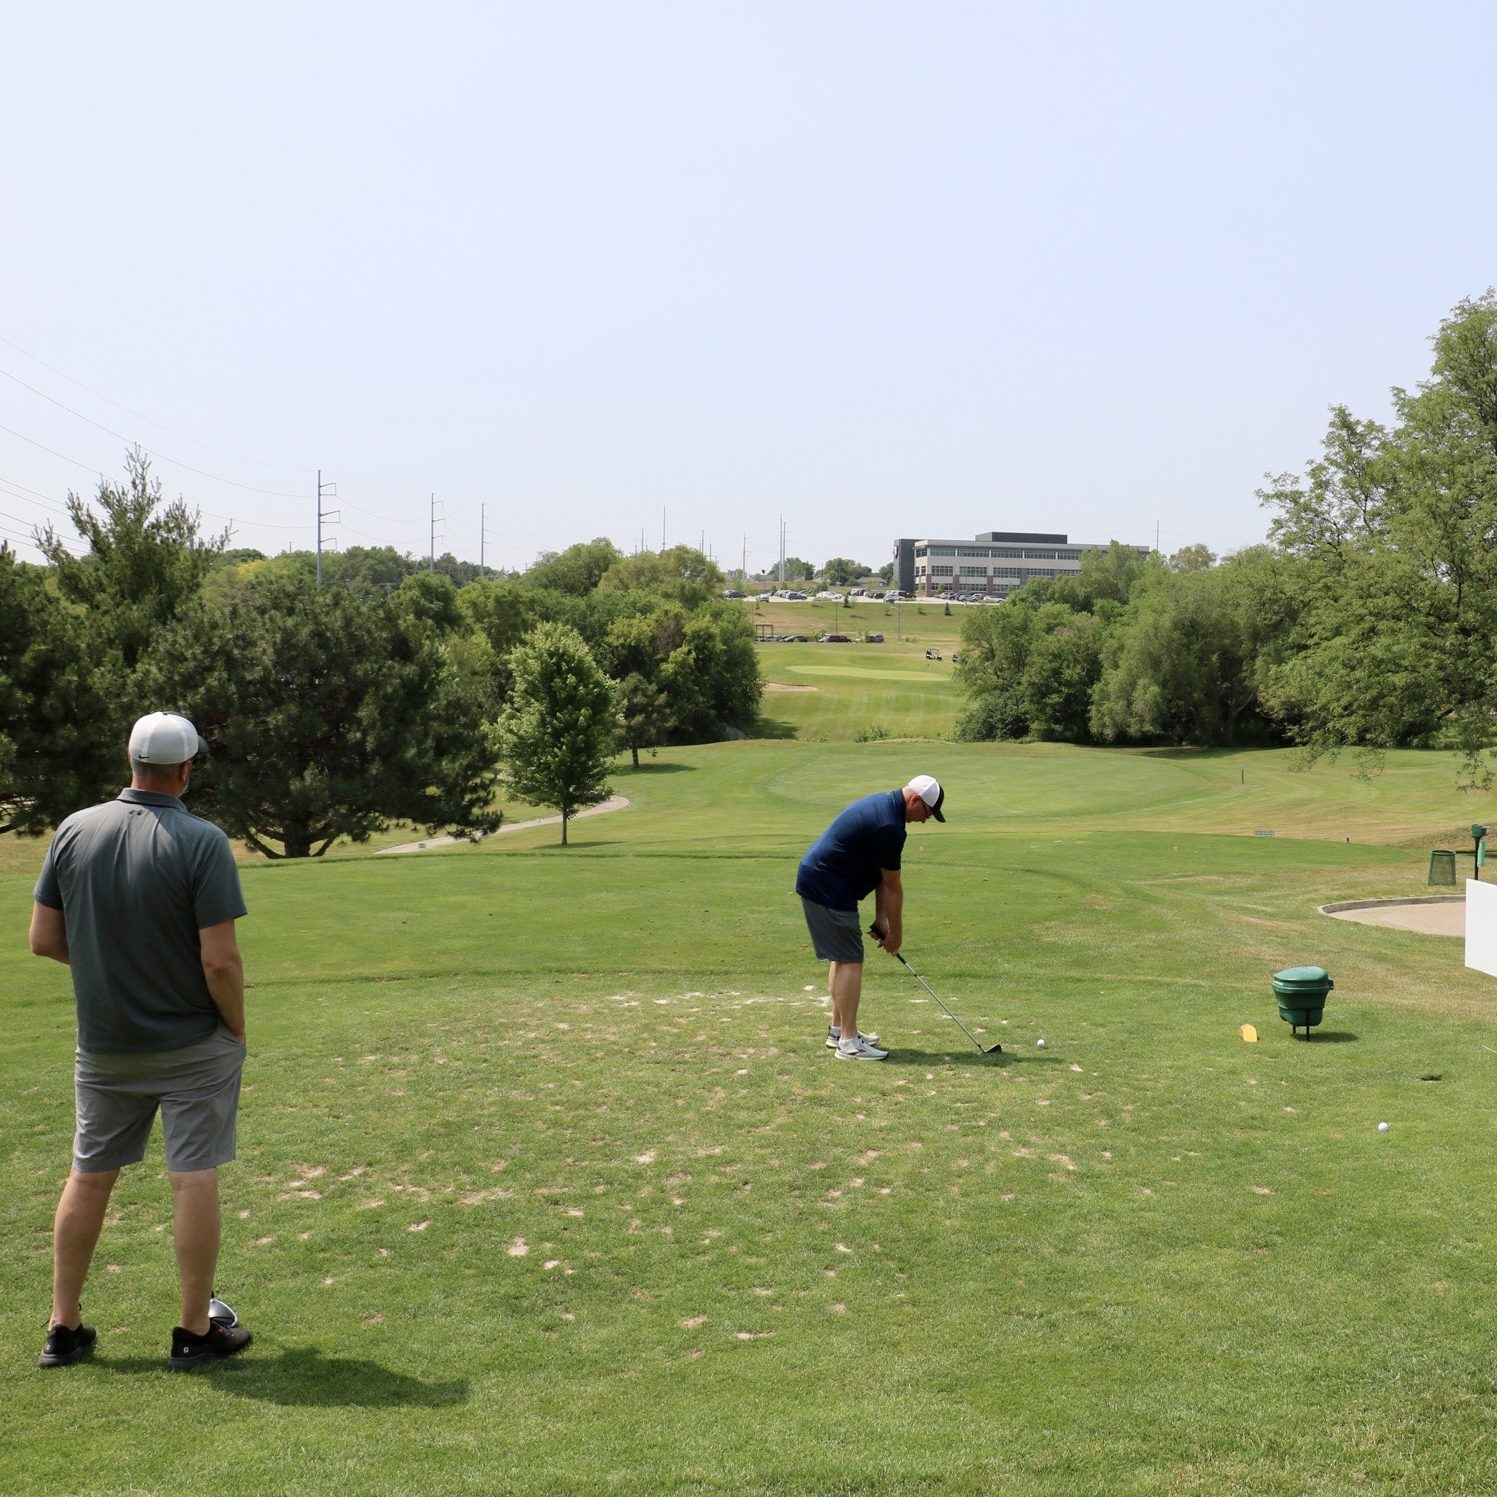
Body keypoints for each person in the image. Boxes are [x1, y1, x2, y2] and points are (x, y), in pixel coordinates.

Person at [29, 712, 253, 1370]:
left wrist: (113, 970)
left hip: (104, 1045)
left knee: (89, 1176)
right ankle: (193, 1332)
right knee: (192, 1178)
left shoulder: (73, 830)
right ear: (185, 770)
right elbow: (220, 962)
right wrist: (235, 1022)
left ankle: (63, 1328)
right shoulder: (202, 840)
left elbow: (43, 939)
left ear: (130, 760)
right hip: (191, 1043)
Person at [795, 774, 946, 1060]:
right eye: (927, 813)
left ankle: (839, 1031)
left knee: (842, 957)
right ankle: (849, 1043)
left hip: (821, 880)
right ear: (915, 800)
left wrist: (882, 918)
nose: (924, 821)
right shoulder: (891, 827)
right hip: (827, 886)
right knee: (851, 958)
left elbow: (880, 875)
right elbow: (893, 886)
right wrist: (896, 937)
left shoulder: (886, 808)